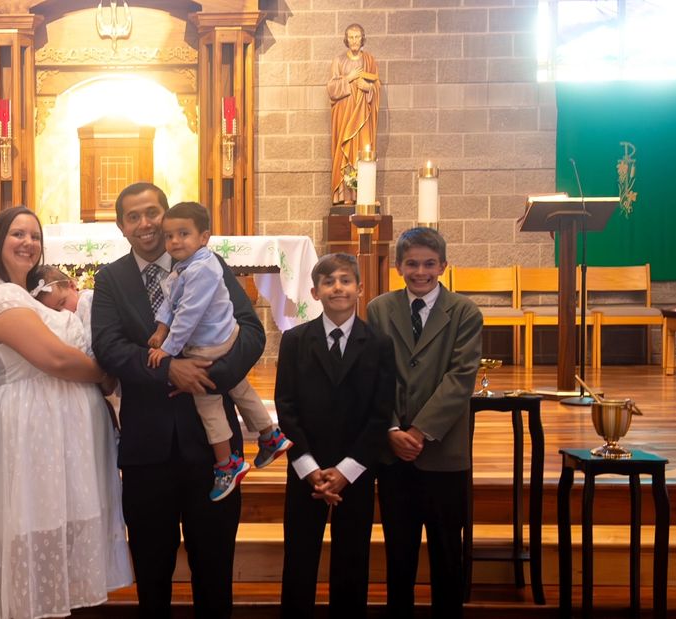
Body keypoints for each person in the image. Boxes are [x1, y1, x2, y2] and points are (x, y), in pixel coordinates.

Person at [91, 183, 265, 616]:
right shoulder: (111, 278)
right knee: (152, 569)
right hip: (147, 446)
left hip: (212, 448)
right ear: (121, 226)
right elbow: (109, 347)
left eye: (153, 213)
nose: (145, 223)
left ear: (168, 217)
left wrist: (209, 377)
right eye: (134, 216)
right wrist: (170, 369)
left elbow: (250, 330)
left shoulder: (208, 263)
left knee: (214, 564)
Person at [0, 206, 132, 619]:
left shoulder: (32, 296)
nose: (28, 243)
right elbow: (56, 359)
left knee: (69, 531)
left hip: (72, 434)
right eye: (17, 234)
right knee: (35, 520)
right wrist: (106, 374)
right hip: (31, 427)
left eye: (34, 236)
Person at [366, 227, 482, 619]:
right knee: (400, 549)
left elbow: (460, 377)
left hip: (443, 451)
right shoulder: (380, 309)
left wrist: (419, 431)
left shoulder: (465, 312)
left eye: (429, 264)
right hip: (394, 451)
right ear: (399, 267)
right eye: (412, 263)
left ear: (443, 266)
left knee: (448, 549)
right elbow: (375, 374)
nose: (421, 272)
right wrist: (393, 429)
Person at [275, 252, 395, 618]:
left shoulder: (378, 343)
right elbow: (286, 406)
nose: (337, 287)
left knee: (352, 556)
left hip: (355, 471)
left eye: (345, 280)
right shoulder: (295, 340)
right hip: (306, 468)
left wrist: (347, 470)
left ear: (360, 289)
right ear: (314, 291)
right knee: (299, 555)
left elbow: (380, 412)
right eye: (328, 282)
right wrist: (309, 466)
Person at [145, 202, 290, 502]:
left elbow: (187, 315)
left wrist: (169, 350)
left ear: (204, 237)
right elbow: (169, 303)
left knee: (207, 401)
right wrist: (160, 330)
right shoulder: (187, 265)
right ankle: (270, 434)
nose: (174, 242)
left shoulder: (202, 269)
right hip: (223, 336)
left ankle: (228, 464)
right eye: (169, 236)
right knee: (240, 387)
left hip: (209, 344)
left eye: (183, 234)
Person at [327, 23, 381, 205]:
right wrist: (348, 79)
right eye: (351, 37)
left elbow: (377, 85)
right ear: (346, 39)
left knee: (362, 152)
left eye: (357, 37)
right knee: (345, 152)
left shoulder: (370, 60)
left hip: (363, 117)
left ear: (363, 38)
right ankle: (345, 196)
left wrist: (369, 88)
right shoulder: (339, 61)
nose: (354, 40)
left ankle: (362, 195)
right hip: (345, 117)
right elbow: (331, 89)